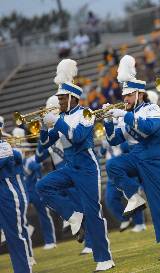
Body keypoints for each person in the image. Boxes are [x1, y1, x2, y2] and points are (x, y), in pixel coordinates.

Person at [36, 59, 114, 271]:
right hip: (70, 166)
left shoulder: (85, 114)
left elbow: (77, 136)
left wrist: (57, 121)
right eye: (58, 98)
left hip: (87, 167)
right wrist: (44, 127)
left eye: (62, 98)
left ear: (72, 97)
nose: (59, 102)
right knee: (42, 187)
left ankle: (104, 258)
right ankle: (73, 215)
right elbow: (44, 144)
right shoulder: (60, 116)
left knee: (93, 211)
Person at [105, 55, 160, 260]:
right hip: (136, 157)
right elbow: (113, 140)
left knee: (158, 203)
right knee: (113, 165)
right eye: (125, 96)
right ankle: (134, 195)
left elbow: (147, 129)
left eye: (129, 96)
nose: (125, 100)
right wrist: (109, 121)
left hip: (156, 159)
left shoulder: (152, 109)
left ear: (139, 94)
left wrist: (124, 116)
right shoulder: (126, 113)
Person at [0, 123, 32, 273]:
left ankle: (23, 270)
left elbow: (18, 157)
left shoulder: (4, 146)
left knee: (14, 237)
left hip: (7, 195)